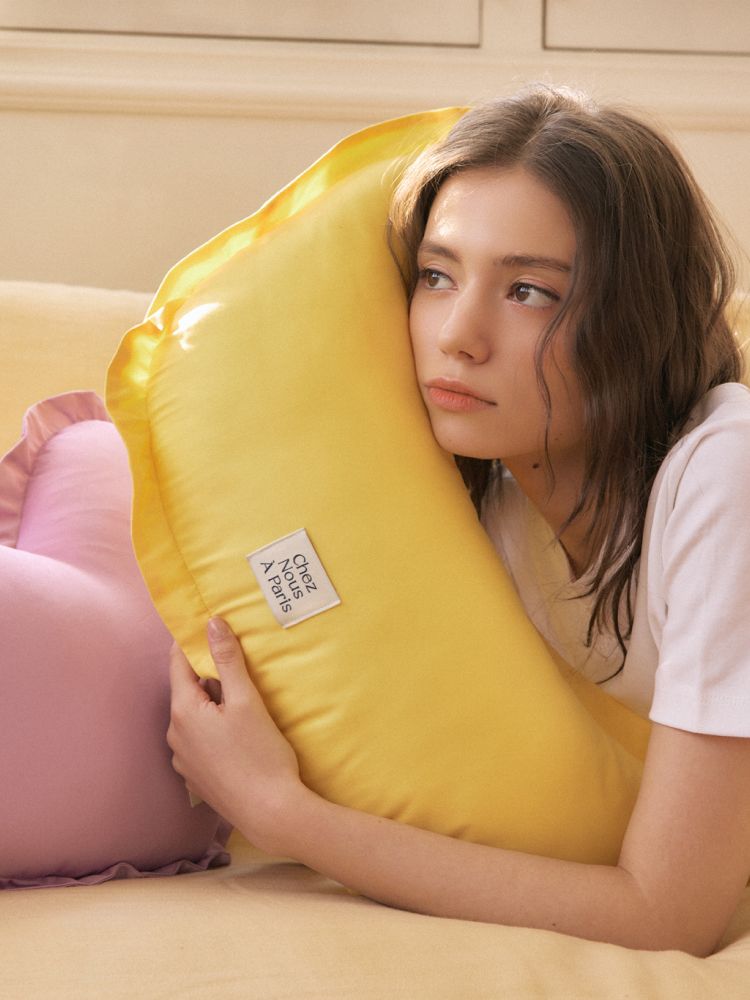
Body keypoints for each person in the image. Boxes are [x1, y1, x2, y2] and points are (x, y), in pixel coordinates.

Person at [166, 84, 750, 955]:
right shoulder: (485, 508)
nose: (458, 336)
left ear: (635, 318)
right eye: (437, 277)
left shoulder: (724, 475)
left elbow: (670, 915)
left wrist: (286, 816)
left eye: (529, 292)